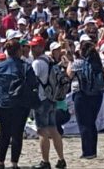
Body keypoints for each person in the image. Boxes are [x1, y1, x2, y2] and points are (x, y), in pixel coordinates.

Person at [0, 40, 31, 169]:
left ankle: (0, 162)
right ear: (19, 51)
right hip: (21, 104)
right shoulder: (25, 66)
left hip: (4, 104)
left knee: (4, 133)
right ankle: (14, 163)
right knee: (17, 134)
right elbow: (33, 84)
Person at [30, 36, 67, 169]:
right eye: (32, 46)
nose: (33, 49)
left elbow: (32, 80)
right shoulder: (49, 59)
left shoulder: (37, 63)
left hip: (41, 99)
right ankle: (61, 159)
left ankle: (45, 162)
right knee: (53, 129)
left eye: (35, 46)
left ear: (41, 47)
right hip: (52, 98)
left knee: (42, 131)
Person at [66, 39, 104, 159]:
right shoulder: (97, 62)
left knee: (83, 123)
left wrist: (69, 62)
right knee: (91, 123)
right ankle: (93, 150)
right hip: (97, 95)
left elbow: (69, 75)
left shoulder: (78, 63)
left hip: (82, 95)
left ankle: (87, 152)